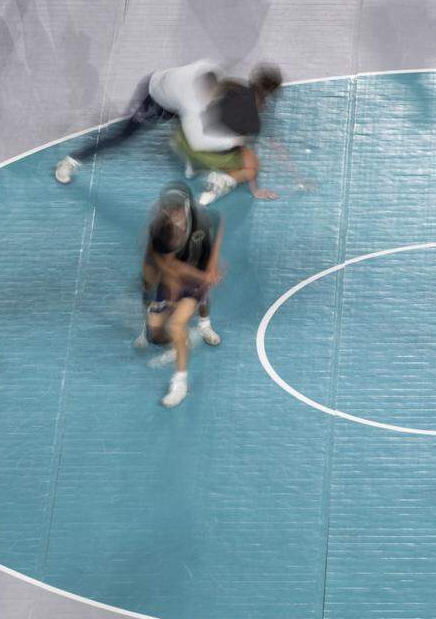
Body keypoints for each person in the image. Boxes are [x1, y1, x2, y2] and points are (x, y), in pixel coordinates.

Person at [55, 59, 225, 184]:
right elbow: (198, 140)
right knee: (122, 136)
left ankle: (190, 158)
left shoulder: (208, 67)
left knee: (196, 124)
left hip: (172, 99)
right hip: (154, 98)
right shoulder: (189, 101)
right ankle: (71, 160)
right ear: (201, 90)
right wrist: (231, 141)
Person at [141, 183, 224, 407]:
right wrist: (204, 276)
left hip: (196, 277)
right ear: (164, 208)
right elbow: (169, 267)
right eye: (170, 207)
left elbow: (218, 224)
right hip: (177, 276)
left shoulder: (203, 218)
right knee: (155, 336)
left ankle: (180, 383)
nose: (175, 211)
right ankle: (186, 339)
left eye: (178, 206)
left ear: (186, 205)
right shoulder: (159, 229)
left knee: (176, 325)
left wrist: (213, 265)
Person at [172, 64, 283, 205]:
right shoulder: (253, 121)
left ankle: (192, 164)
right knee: (252, 168)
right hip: (209, 153)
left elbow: (215, 92)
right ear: (270, 92)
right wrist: (255, 190)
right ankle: (218, 185)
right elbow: (245, 152)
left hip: (183, 138)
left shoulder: (231, 86)